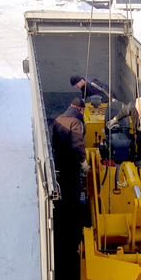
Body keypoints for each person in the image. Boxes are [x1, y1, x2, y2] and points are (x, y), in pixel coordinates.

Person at [50, 97, 90, 240]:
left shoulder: (57, 120)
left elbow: (52, 142)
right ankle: (73, 226)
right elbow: (77, 144)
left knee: (63, 193)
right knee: (73, 194)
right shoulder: (76, 122)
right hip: (72, 165)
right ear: (80, 109)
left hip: (59, 163)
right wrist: (84, 162)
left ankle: (61, 219)